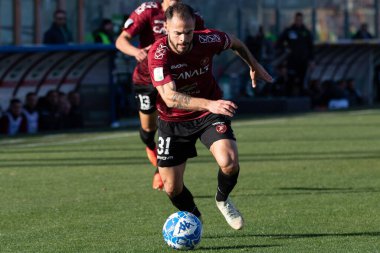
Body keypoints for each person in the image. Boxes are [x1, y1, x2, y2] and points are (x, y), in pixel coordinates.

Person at [148, 3, 273, 229]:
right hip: (173, 120)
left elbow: (235, 42)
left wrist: (253, 64)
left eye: (188, 32)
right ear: (165, 27)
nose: (183, 39)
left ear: (194, 26)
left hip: (208, 114)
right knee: (171, 188)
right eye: (177, 33)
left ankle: (222, 199)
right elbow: (169, 97)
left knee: (229, 162)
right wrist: (210, 104)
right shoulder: (158, 54)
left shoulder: (207, 39)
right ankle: (194, 216)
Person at [115, 0, 205, 190]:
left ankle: (162, 170)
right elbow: (121, 40)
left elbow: (201, 43)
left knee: (172, 123)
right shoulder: (148, 11)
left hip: (176, 78)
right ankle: (150, 147)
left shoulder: (191, 16)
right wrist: (137, 52)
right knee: (148, 129)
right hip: (146, 78)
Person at [276, 12, 314, 96]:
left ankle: (301, 101)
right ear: (295, 20)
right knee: (290, 80)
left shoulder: (306, 32)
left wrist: (311, 60)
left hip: (303, 61)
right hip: (291, 61)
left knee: (302, 81)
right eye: (297, 20)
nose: (298, 21)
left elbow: (311, 47)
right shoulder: (289, 31)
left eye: (300, 20)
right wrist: (285, 49)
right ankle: (289, 99)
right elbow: (279, 43)